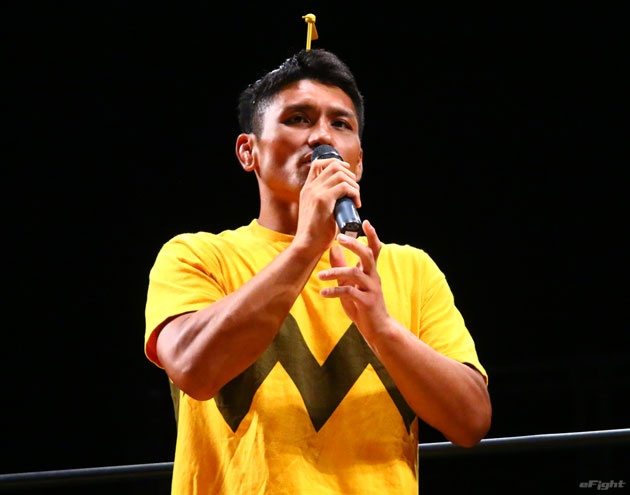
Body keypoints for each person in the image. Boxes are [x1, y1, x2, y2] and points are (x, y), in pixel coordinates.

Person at [144, 47, 492, 494]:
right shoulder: (196, 255)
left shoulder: (411, 269)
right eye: (298, 119)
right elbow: (194, 368)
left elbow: (470, 422)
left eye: (340, 124)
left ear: (357, 161)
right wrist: (307, 247)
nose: (322, 137)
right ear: (248, 151)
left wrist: (382, 328)